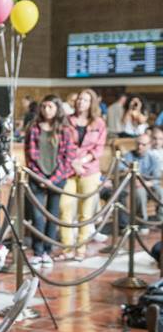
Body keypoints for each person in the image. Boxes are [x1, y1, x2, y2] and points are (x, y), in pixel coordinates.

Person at [25, 94, 76, 267]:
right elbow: (30, 156)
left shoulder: (65, 130)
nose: (47, 110)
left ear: (57, 109)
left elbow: (67, 158)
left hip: (57, 178)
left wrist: (53, 179)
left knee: (53, 215)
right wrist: (40, 177)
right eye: (44, 106)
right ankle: (38, 251)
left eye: (51, 107)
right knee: (38, 216)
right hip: (36, 177)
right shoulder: (33, 128)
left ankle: (48, 251)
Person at [59, 88, 107, 256]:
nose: (81, 102)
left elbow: (98, 148)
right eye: (79, 99)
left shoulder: (99, 123)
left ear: (91, 103)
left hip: (90, 171)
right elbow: (63, 146)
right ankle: (67, 249)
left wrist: (82, 161)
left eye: (85, 100)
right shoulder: (66, 121)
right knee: (65, 208)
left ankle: (81, 249)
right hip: (69, 170)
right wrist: (73, 162)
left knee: (85, 213)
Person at [119, 133, 163, 231]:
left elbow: (156, 178)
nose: (140, 147)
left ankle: (161, 220)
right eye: (138, 144)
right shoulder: (129, 155)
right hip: (134, 186)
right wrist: (132, 177)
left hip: (148, 184)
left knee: (161, 192)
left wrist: (145, 183)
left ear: (149, 145)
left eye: (143, 145)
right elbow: (120, 167)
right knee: (140, 193)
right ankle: (143, 223)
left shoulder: (153, 158)